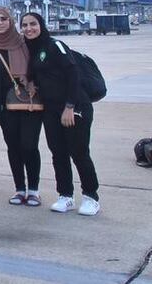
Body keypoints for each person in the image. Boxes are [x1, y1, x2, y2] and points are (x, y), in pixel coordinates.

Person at [22, 12, 100, 216]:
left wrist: (70, 106)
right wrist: (32, 83)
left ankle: (91, 197)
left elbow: (73, 74)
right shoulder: (33, 49)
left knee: (79, 153)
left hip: (74, 106)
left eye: (33, 24)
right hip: (51, 109)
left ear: (41, 25)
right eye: (25, 25)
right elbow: (43, 75)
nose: (29, 28)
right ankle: (65, 195)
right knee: (58, 153)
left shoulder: (54, 45)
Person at [0, 6, 41, 206]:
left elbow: (40, 68)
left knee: (29, 146)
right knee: (13, 147)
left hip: (29, 103)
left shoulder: (25, 44)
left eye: (3, 18)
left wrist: (32, 82)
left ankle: (34, 190)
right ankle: (20, 189)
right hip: (4, 108)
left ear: (10, 20)